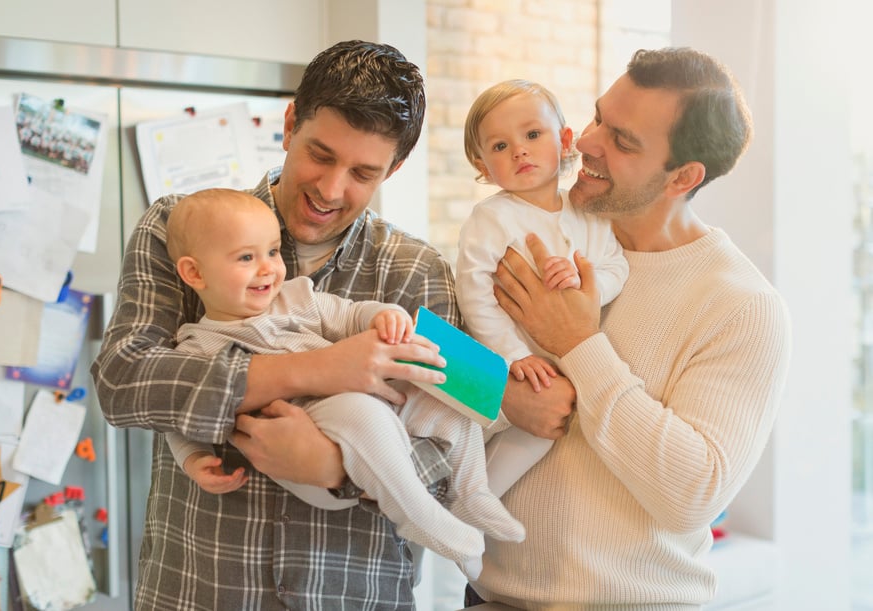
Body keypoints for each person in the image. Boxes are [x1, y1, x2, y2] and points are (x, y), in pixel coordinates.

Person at [91, 40, 486, 610]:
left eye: (363, 173)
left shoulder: (417, 270)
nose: (330, 189)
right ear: (289, 124)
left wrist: (338, 467)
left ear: (394, 170)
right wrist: (313, 369)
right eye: (320, 155)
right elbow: (123, 381)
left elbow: (449, 449)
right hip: (199, 590)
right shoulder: (180, 226)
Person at [466, 47, 793, 608]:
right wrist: (502, 395)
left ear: (683, 176)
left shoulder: (742, 306)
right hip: (488, 597)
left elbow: (692, 495)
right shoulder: (527, 229)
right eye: (598, 117)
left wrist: (579, 344)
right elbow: (443, 368)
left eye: (621, 140)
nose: (586, 142)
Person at [162, 187, 524, 578]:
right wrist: (193, 457)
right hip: (302, 437)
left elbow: (350, 315)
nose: (268, 268)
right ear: (194, 273)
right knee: (363, 409)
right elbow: (177, 416)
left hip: (367, 416)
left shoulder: (295, 298)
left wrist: (382, 315)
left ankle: (470, 493)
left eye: (272, 252)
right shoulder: (196, 346)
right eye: (247, 258)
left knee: (438, 391)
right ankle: (418, 516)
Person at [456, 79, 628, 496]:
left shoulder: (588, 214)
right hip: (507, 366)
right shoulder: (491, 218)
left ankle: (475, 505)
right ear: (483, 166)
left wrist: (587, 285)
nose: (519, 151)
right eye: (500, 146)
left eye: (533, 135)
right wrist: (511, 354)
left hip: (562, 371)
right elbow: (474, 292)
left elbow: (616, 266)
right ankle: (449, 498)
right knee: (462, 435)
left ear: (565, 141)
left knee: (536, 436)